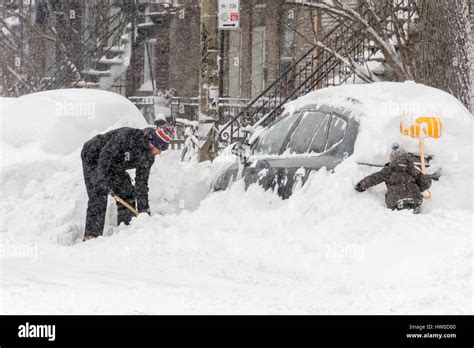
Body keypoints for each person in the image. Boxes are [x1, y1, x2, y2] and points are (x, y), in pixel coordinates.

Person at [81, 127, 170, 241]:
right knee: (99, 195)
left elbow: (141, 183)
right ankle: (91, 237)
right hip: (93, 155)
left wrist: (144, 211)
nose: (159, 153)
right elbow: (106, 154)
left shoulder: (149, 157)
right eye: (159, 148)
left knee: (127, 191)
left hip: (114, 164)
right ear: (152, 142)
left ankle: (126, 231)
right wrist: (102, 180)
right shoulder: (128, 136)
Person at [354, 144, 432, 214]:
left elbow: (374, 178)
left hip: (396, 202)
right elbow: (426, 183)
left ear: (393, 158)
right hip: (415, 201)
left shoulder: (389, 169)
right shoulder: (413, 170)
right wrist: (417, 188)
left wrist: (361, 185)